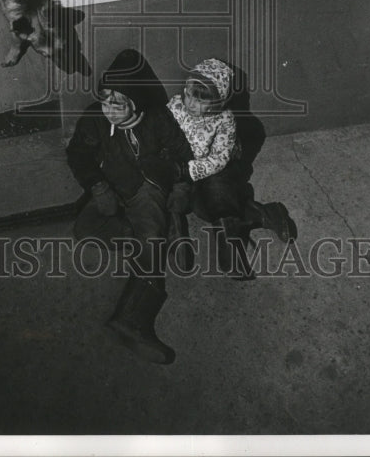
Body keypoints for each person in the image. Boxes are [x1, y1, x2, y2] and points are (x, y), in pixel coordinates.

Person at [65, 48, 193, 364]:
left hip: (148, 185)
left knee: (149, 232)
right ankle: (169, 233)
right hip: (115, 185)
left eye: (117, 103)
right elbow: (78, 154)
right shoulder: (95, 120)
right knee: (85, 229)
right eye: (105, 100)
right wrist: (96, 185)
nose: (108, 109)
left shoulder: (158, 120)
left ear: (134, 102)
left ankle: (134, 318)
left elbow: (182, 152)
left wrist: (181, 186)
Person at [166, 58, 297, 279]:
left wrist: (191, 170)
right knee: (178, 199)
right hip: (178, 168)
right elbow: (161, 132)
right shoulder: (175, 107)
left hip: (210, 171)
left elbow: (220, 157)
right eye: (188, 95)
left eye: (200, 101)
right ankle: (175, 232)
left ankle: (232, 251)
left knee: (214, 204)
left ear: (217, 102)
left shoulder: (224, 120)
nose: (191, 104)